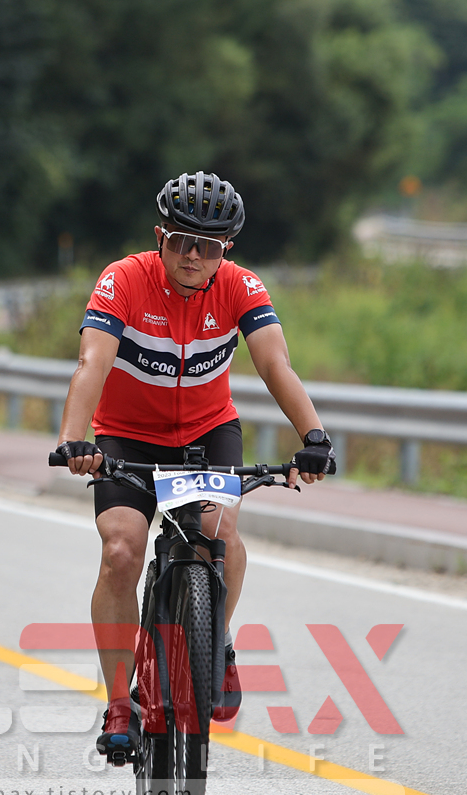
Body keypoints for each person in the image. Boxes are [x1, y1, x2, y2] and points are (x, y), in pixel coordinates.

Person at [52, 171, 334, 762]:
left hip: (207, 433)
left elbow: (275, 364)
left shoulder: (240, 286)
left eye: (207, 247)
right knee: (121, 549)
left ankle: (215, 641)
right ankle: (120, 703)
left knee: (218, 532)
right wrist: (73, 439)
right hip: (127, 437)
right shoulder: (123, 280)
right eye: (180, 241)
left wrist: (314, 436)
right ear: (160, 237)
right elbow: (91, 363)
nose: (192, 256)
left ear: (225, 249)